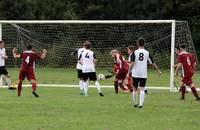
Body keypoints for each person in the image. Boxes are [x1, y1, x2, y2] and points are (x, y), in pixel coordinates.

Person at [128, 38, 161, 108]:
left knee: (134, 89)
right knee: (142, 89)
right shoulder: (147, 52)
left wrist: (128, 72)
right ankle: (141, 105)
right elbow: (152, 63)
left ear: (138, 44)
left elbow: (132, 63)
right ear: (144, 44)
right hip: (143, 73)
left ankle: (135, 104)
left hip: (135, 73)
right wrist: (158, 70)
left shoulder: (135, 52)